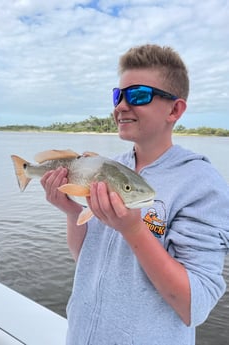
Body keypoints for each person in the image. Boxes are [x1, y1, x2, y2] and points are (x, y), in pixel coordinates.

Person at [41, 44, 229, 345]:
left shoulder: (202, 186)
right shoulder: (111, 167)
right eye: (118, 95)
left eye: (138, 94)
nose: (121, 106)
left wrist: (133, 229)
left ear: (175, 109)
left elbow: (195, 306)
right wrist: (71, 211)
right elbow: (87, 259)